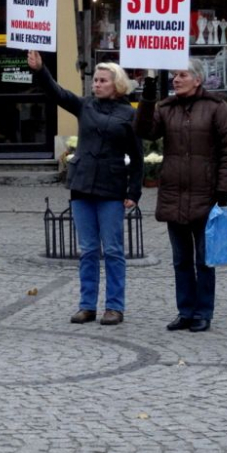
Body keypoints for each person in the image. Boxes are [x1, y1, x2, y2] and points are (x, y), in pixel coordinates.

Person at [27, 50, 143, 326]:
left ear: (117, 84)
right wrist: (41, 69)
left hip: (112, 188)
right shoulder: (85, 106)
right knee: (88, 250)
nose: (97, 84)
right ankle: (87, 305)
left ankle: (114, 306)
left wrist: (133, 192)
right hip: (82, 187)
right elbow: (57, 93)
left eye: (103, 80)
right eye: (95, 80)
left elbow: (137, 157)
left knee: (113, 250)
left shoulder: (129, 114)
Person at [134, 60, 227, 333]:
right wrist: (148, 93)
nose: (176, 80)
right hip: (174, 196)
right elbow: (144, 131)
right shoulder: (166, 107)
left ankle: (203, 312)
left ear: (198, 80)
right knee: (181, 260)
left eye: (182, 75)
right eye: (174, 75)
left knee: (204, 260)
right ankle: (185, 311)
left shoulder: (216, 108)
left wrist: (224, 190)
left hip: (207, 197)